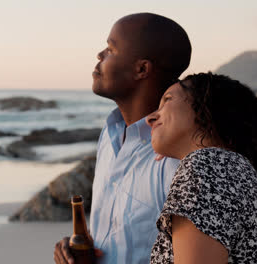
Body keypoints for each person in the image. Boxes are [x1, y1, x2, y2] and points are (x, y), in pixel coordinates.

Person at [53, 13, 192, 263]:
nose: (100, 55)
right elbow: (113, 233)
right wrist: (77, 250)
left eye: (110, 48)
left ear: (141, 69)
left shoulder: (176, 156)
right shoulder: (110, 133)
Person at [146, 73, 257, 263]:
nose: (150, 118)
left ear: (206, 108)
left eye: (167, 100)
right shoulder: (229, 169)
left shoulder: (207, 165)